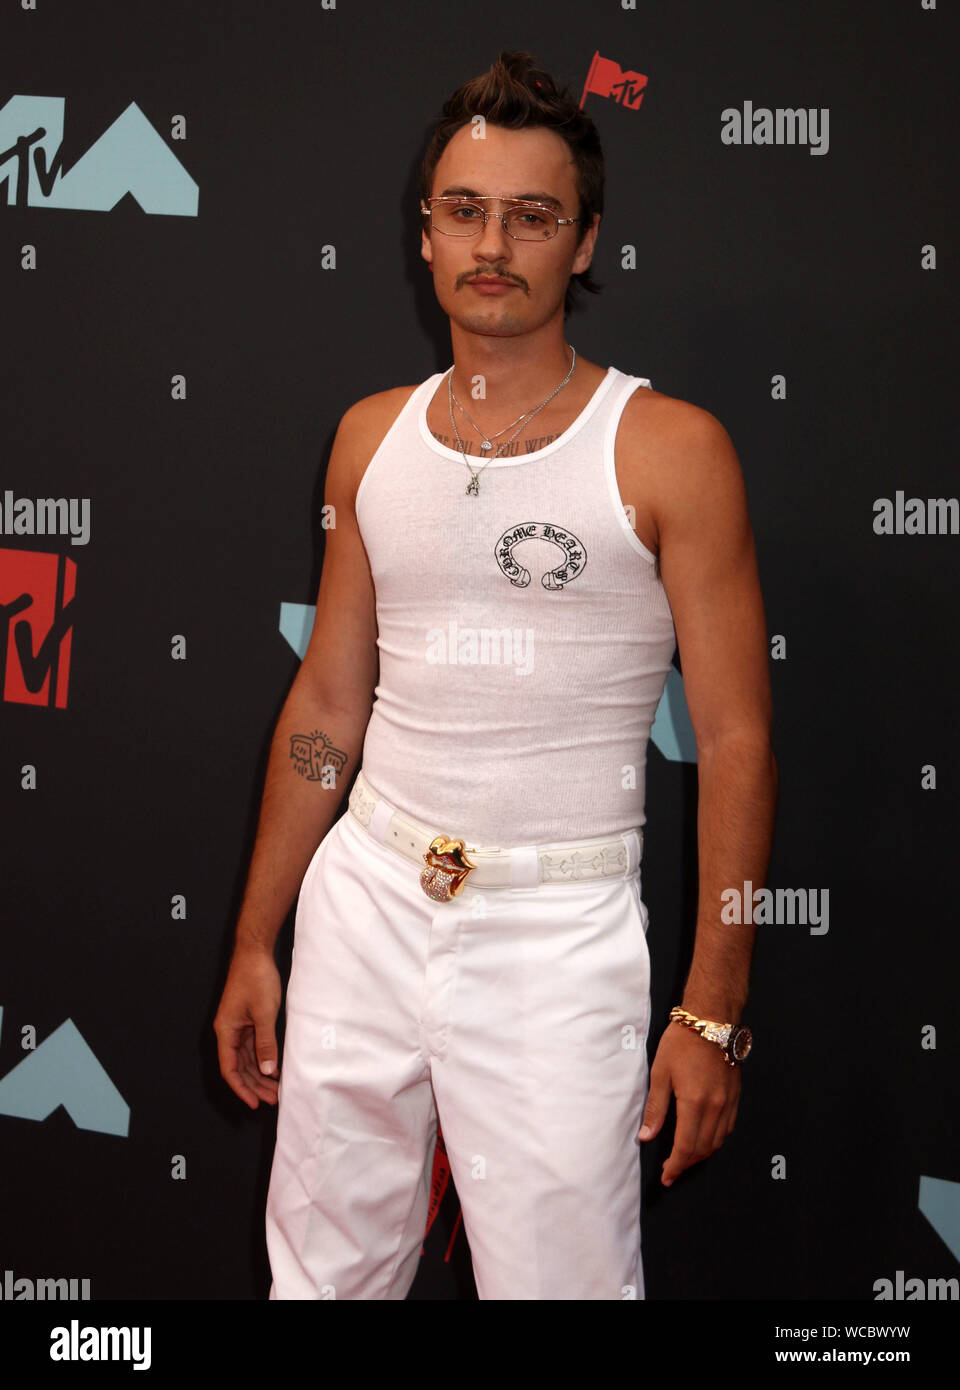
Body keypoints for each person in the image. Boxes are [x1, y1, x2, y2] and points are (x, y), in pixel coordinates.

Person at [213, 49, 777, 1301]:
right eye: (464, 210)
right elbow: (325, 707)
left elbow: (736, 740)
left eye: (532, 216)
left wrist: (711, 1012)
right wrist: (260, 934)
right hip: (362, 899)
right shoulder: (370, 438)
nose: (494, 242)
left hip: (556, 933)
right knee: (318, 1279)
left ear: (582, 245)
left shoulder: (672, 451)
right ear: (425, 235)